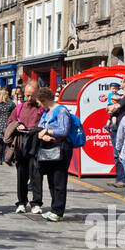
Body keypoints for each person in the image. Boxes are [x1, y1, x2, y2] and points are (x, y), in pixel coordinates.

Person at [34, 87, 71, 222]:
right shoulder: (46, 113)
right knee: (51, 180)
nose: (38, 105)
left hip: (61, 148)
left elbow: (64, 130)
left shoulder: (61, 111)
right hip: (48, 148)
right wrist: (42, 135)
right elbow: (39, 129)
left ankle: (58, 211)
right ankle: (54, 208)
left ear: (44, 100)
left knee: (59, 180)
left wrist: (48, 132)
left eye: (39, 102)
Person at [11, 80, 44, 213]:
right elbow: (11, 120)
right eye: (26, 95)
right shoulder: (19, 107)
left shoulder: (42, 108)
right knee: (21, 174)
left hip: (37, 143)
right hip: (22, 142)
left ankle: (36, 203)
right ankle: (21, 202)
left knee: (37, 174)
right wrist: (17, 124)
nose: (29, 99)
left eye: (31, 95)